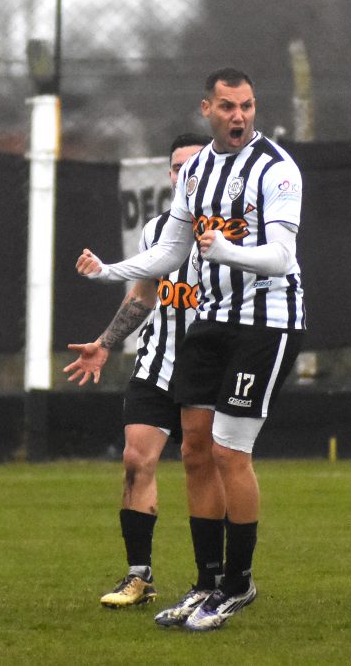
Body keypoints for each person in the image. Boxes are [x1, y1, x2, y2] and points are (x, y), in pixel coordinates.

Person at [75, 67, 305, 632]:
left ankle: (238, 584)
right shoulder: (197, 168)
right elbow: (170, 253)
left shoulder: (277, 169)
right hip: (211, 321)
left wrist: (226, 250)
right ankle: (205, 584)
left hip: (265, 322)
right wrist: (109, 271)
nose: (239, 117)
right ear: (207, 109)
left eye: (247, 106)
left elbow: (280, 257)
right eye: (228, 107)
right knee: (196, 451)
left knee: (230, 453)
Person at [64, 132, 209, 608]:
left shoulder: (229, 232)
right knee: (135, 460)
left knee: (204, 466)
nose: (182, 174)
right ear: (169, 175)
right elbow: (144, 296)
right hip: (158, 361)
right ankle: (138, 576)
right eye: (176, 167)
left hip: (209, 365)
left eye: (193, 164)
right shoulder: (156, 231)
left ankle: (218, 578)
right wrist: (105, 345)